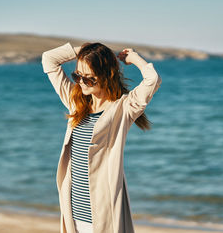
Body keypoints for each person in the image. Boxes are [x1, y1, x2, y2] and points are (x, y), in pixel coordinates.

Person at [42, 42, 162, 233]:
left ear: (106, 76)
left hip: (102, 215)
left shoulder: (123, 109)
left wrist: (134, 59)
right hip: (73, 212)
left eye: (89, 78)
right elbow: (49, 60)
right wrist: (85, 51)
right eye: (77, 76)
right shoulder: (76, 102)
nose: (81, 82)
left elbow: (152, 80)